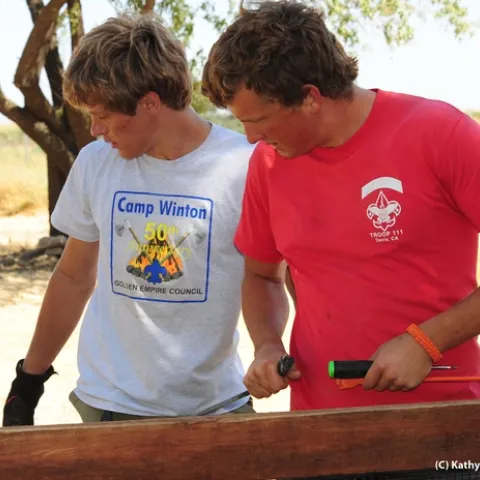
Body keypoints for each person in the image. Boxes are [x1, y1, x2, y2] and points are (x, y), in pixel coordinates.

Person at [201, 0, 480, 412]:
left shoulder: (442, 134)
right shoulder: (269, 162)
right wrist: (266, 346)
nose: (248, 137)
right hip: (319, 422)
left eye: (258, 119)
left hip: (443, 417)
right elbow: (261, 276)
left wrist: (427, 342)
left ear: (310, 97)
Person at [2, 13, 257, 426]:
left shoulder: (245, 167)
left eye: (102, 114)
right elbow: (73, 277)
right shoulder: (95, 163)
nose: (96, 129)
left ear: (150, 103)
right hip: (108, 405)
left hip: (217, 408)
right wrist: (29, 378)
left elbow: (275, 277)